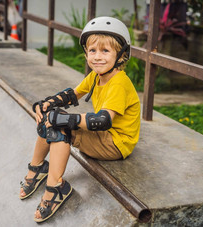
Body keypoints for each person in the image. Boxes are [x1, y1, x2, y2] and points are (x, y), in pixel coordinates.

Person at [19, 16, 141, 223]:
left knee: (61, 126)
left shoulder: (119, 83)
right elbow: (72, 95)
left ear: (121, 55)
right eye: (92, 51)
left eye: (105, 51)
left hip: (116, 144)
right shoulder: (96, 76)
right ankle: (37, 167)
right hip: (104, 137)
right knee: (50, 118)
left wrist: (64, 119)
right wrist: (47, 104)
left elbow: (103, 121)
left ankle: (56, 188)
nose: (97, 57)